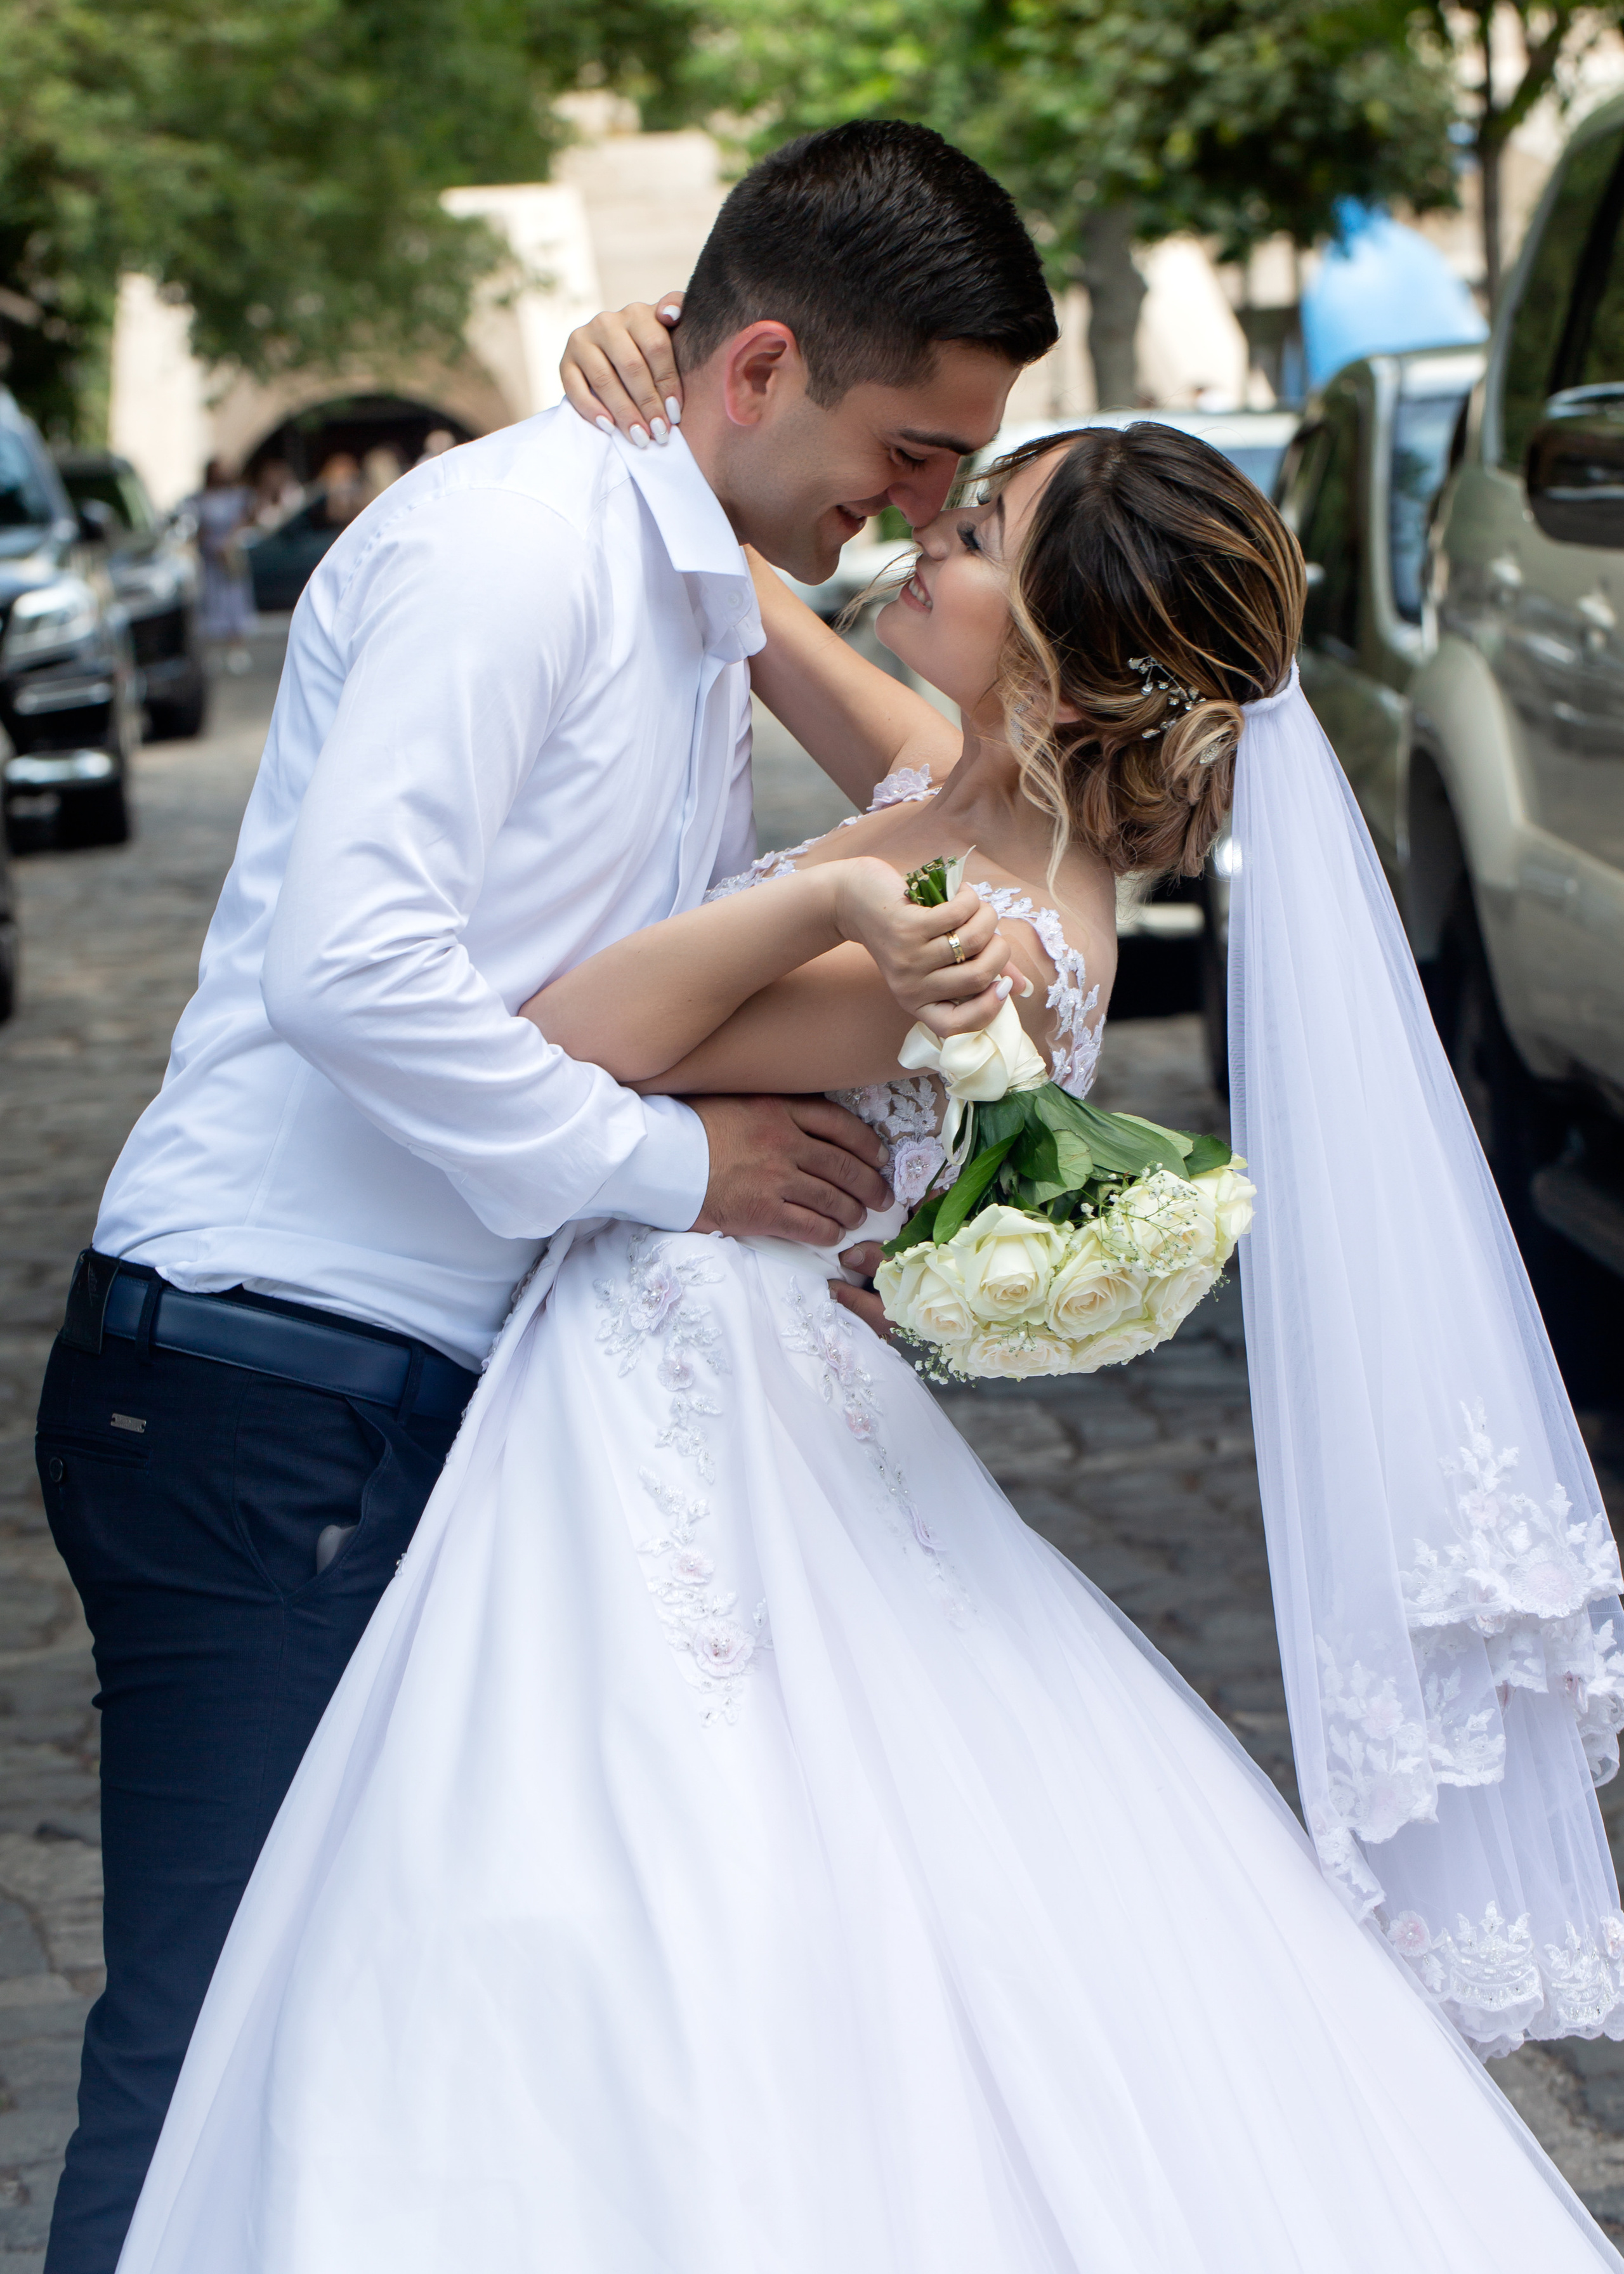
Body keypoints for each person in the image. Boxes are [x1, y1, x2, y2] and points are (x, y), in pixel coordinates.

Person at [113, 402, 1622, 2262]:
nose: (922, 537)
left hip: (690, 1400)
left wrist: (824, 893)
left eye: (978, 533)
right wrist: (644, 386)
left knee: (631, 1893)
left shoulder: (983, 940)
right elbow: (742, 584)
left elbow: (565, 1029)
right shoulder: (953, 778)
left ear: (1070, 664)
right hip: (706, 1373)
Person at [34, 122, 1058, 2273]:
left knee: (355, 2037)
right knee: (218, 2039)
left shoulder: (674, 562)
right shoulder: (522, 550)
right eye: (912, 450)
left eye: (962, 476)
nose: (928, 511)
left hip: (414, 1384)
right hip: (266, 1378)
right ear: (765, 362)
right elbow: (356, 972)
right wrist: (668, 1162)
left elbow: (929, 793)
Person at [185, 458, 256, 674]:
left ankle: (237, 648)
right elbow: (196, 528)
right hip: (210, 559)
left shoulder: (237, 496)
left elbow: (248, 519)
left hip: (230, 555)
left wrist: (231, 541)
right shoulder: (200, 500)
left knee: (234, 600)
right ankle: (213, 652)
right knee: (211, 603)